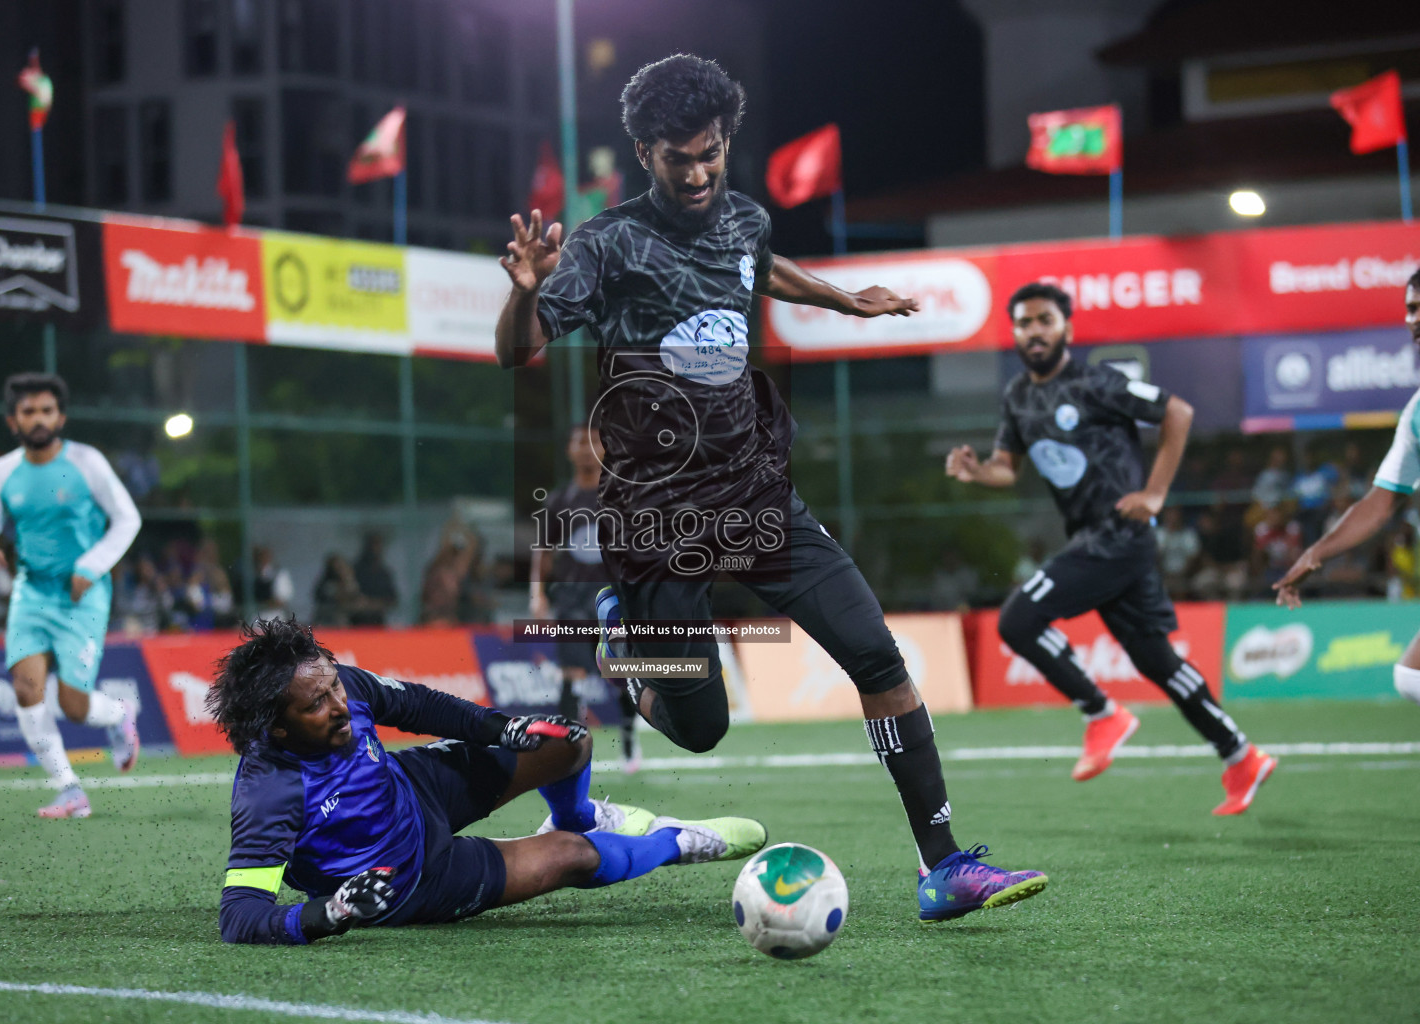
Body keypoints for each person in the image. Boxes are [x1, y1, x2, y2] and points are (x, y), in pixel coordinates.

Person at [494, 54, 1046, 920]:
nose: (701, 171)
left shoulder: (742, 217)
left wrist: (843, 300)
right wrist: (524, 296)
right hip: (656, 523)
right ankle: (619, 641)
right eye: (681, 158)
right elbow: (518, 348)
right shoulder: (606, 244)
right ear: (645, 152)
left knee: (878, 657)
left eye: (712, 152)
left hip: (757, 497)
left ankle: (943, 867)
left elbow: (763, 264)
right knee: (702, 728)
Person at [210, 618, 765, 945]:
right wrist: (325, 915)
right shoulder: (268, 792)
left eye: (335, 688)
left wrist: (501, 727)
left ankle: (580, 813)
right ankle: (677, 843)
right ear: (277, 727)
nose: (340, 704)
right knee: (572, 857)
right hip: (414, 882)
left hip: (416, 787)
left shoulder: (339, 683)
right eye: (317, 705)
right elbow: (239, 915)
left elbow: (419, 706)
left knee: (566, 739)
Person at [946, 282, 1275, 815]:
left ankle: (1101, 713)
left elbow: (1179, 412)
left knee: (1018, 619)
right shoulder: (1018, 397)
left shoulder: (1097, 382)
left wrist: (1156, 493)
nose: (1034, 331)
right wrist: (977, 471)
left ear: (1067, 329)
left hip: (1118, 535)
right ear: (1015, 332)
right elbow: (1007, 467)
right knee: (1156, 659)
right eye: (1024, 323)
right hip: (1096, 541)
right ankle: (1240, 755)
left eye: (1044, 321)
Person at [0, 373, 144, 819]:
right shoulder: (2, 471)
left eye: (47, 410)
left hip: (83, 597)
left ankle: (119, 712)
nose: (39, 419)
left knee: (73, 705)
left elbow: (127, 519)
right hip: (31, 594)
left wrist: (92, 565)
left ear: (61, 416)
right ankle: (69, 790)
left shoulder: (87, 462)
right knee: (26, 689)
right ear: (13, 421)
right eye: (29, 412)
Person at [1277, 268, 1420, 704]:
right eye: (1409, 309)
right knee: (1411, 679)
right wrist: (1314, 554)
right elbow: (1379, 505)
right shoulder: (1416, 413)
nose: (1411, 319)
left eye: (1419, 307)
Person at [533, 423, 640, 769]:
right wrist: (537, 594)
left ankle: (629, 741)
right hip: (572, 600)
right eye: (578, 441)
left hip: (614, 598)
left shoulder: (621, 495)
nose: (585, 447)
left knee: (623, 674)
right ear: (569, 450)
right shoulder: (559, 500)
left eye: (593, 441)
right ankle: (571, 754)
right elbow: (544, 553)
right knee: (572, 673)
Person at [350, 532, 398, 626]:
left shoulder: (384, 573)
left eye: (378, 545)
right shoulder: (355, 571)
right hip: (356, 623)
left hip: (377, 623)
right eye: (372, 545)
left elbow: (392, 600)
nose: (375, 550)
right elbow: (349, 597)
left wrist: (373, 604)